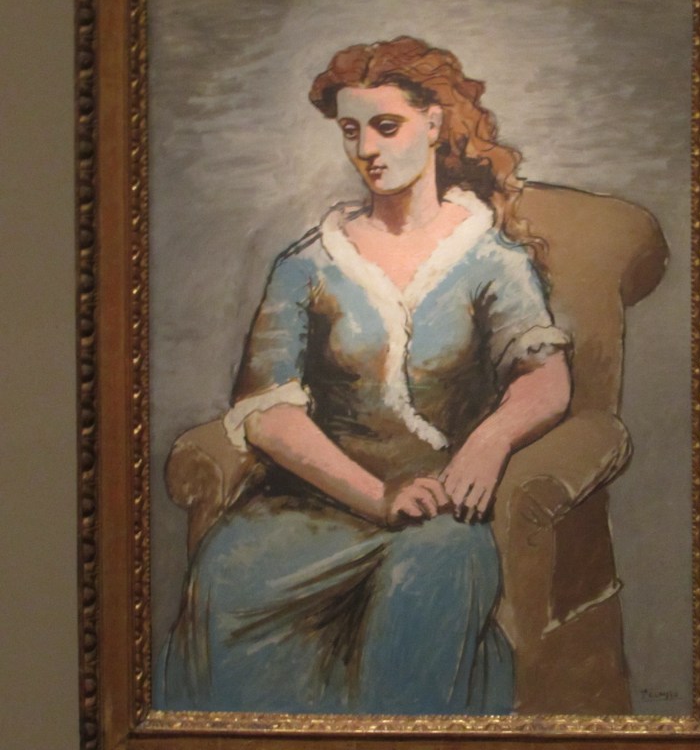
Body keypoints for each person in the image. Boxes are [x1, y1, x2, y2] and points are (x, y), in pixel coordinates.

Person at [156, 36, 572, 716]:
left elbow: (545, 380)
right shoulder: (308, 263)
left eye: (386, 126)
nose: (367, 149)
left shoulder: (491, 258)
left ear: (432, 124)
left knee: (430, 581)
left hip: (438, 511)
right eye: (352, 131)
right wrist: (375, 497)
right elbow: (268, 411)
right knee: (228, 574)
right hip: (312, 505)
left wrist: (490, 441)